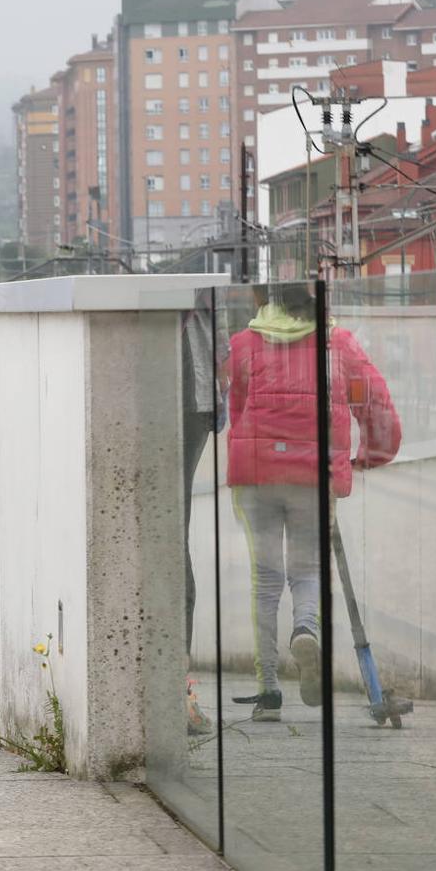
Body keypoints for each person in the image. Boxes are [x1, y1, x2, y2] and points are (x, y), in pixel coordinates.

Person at [227, 284, 400, 722]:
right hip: (312, 476)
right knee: (306, 571)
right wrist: (373, 453)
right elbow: (373, 400)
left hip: (257, 474)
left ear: (264, 301)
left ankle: (268, 692)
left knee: (264, 580)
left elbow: (238, 409)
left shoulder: (244, 343)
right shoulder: (338, 343)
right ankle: (305, 629)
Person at [181, 290, 229, 736]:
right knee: (174, 549)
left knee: (171, 547)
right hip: (194, 405)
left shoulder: (200, 299)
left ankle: (177, 690)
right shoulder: (204, 301)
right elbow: (223, 358)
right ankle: (179, 692)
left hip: (193, 405)